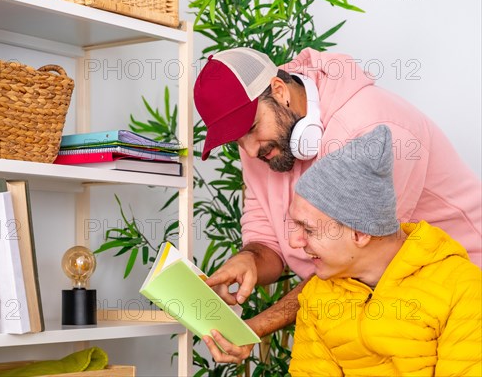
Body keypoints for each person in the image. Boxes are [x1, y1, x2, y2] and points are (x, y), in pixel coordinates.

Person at [194, 47, 482, 363]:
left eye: (249, 129)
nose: (248, 151)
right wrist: (248, 261)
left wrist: (258, 325)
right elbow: (267, 242)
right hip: (360, 298)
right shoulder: (263, 147)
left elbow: (356, 255)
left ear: (279, 91)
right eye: (236, 140)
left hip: (458, 293)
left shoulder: (372, 128)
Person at [287, 125, 481, 376]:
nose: (294, 241)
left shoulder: (462, 288)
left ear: (360, 233)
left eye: (309, 229)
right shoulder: (317, 296)